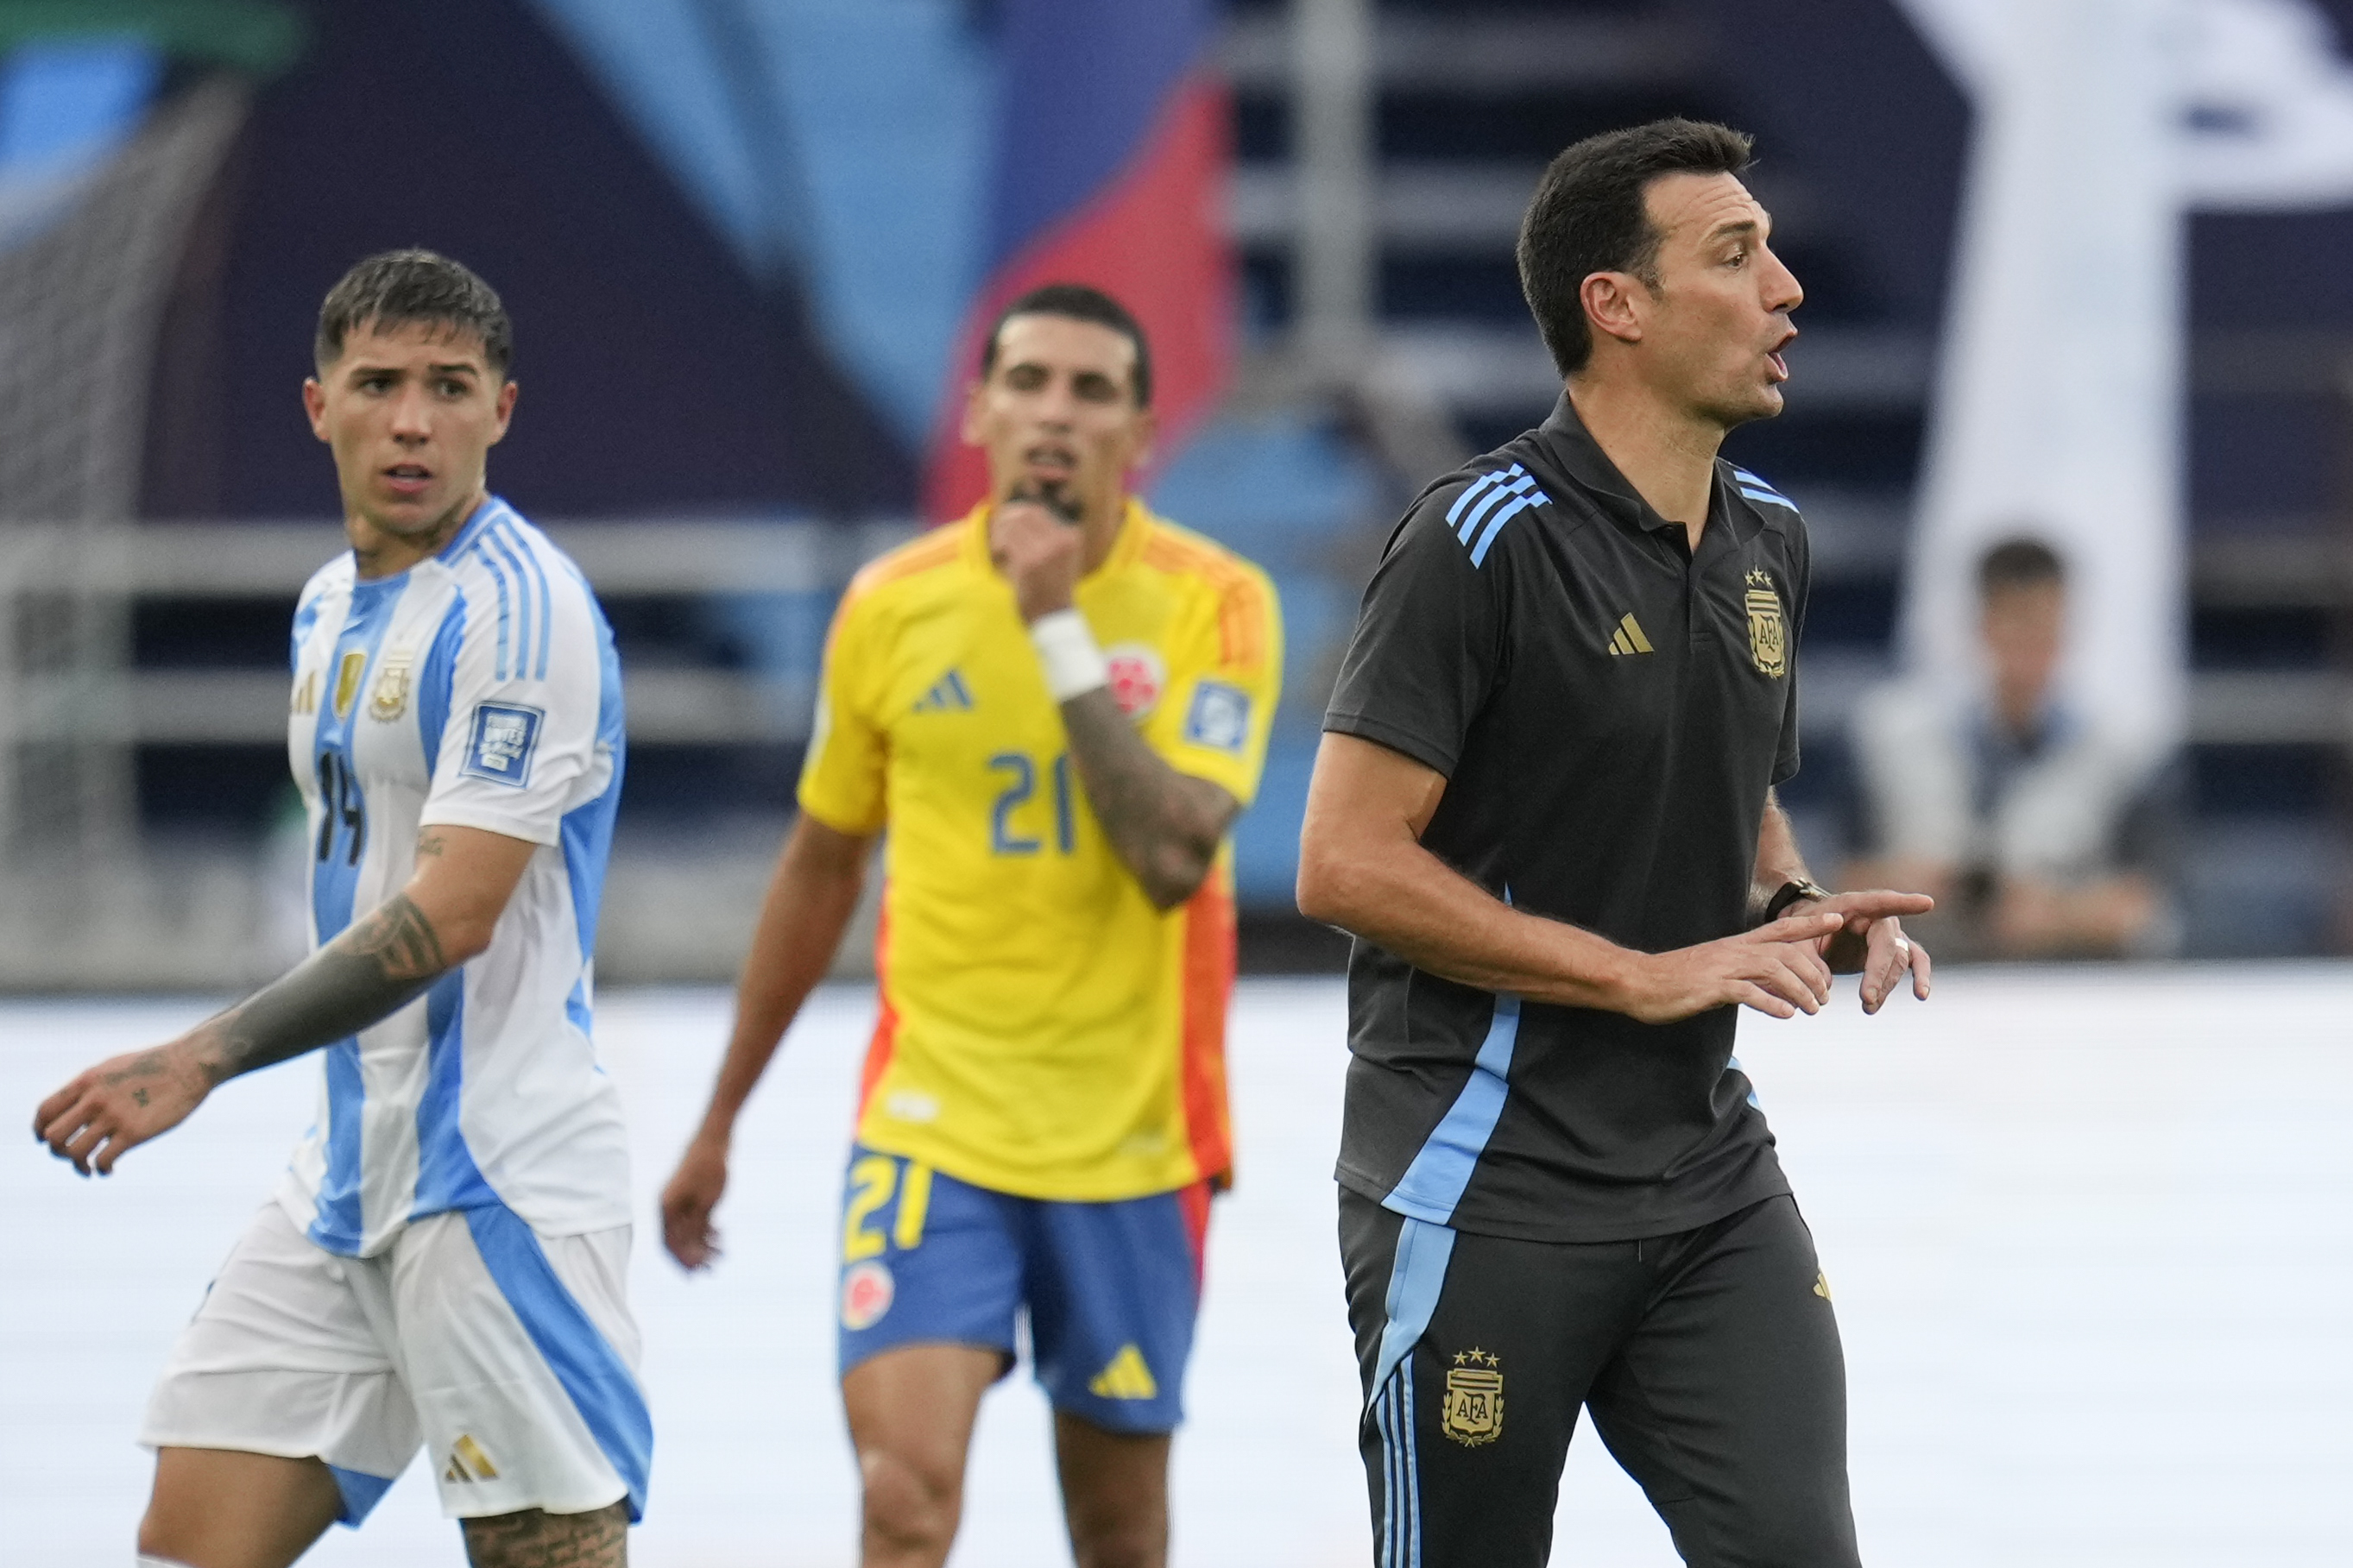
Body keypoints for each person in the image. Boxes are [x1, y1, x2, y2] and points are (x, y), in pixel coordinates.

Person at [1294, 119, 1934, 1567]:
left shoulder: (1769, 534)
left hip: (1707, 1179)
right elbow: (1342, 863)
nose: (1786, 289)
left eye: (1771, 252)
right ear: (1616, 306)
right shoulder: (1479, 540)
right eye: (1735, 254)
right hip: (1481, 1182)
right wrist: (1638, 974)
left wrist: (1796, 894)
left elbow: (1726, 784)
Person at [32, 250, 643, 1568]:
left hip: (495, 1175)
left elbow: (453, 914)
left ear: (502, 410)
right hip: (344, 1179)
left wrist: (201, 1052)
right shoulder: (327, 607)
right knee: (192, 1543)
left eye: (448, 387)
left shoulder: (520, 609)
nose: (412, 419)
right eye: (377, 384)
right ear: (320, 407)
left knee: (546, 1550)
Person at [658, 283, 1281, 1568]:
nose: (1055, 413)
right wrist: (720, 1117)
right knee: (901, 1498)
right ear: (978, 410)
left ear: (1142, 431)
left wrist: (1053, 624)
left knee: (1116, 1535)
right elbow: (820, 867)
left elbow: (1173, 857)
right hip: (933, 1129)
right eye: (1029, 382)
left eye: (1091, 390)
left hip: (1132, 1142)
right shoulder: (891, 607)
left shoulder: (1215, 605)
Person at [1845, 536, 2179, 959]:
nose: (2031, 648)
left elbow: (2147, 904)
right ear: (1983, 625)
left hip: (2063, 986)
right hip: (1917, 981)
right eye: (2016, 624)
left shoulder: (2124, 751)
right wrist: (1913, 884)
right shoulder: (1893, 738)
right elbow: (1838, 876)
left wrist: (2056, 913)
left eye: (2046, 627)